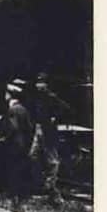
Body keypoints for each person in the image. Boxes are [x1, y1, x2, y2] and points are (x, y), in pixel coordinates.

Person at [29, 72, 71, 205]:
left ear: (46, 85)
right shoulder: (38, 97)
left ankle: (51, 187)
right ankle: (41, 184)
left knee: (52, 161)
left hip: (48, 131)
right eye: (38, 82)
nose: (39, 85)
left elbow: (66, 108)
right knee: (33, 156)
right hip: (39, 129)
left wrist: (55, 117)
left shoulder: (51, 97)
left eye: (42, 82)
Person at [0, 82, 35, 197]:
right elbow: (29, 128)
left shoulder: (13, 110)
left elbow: (13, 128)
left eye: (7, 93)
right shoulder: (23, 109)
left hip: (13, 144)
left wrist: (3, 139)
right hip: (22, 144)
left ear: (10, 95)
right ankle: (19, 194)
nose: (5, 95)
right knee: (18, 169)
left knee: (10, 168)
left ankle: (10, 194)